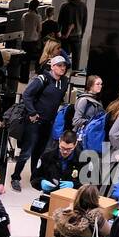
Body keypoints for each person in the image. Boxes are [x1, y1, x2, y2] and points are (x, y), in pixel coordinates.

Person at [11, 55, 70, 190]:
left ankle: (34, 176)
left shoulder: (64, 82)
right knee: (27, 151)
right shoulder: (42, 79)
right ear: (52, 66)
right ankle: (15, 177)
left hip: (49, 121)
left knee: (40, 151)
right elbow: (27, 95)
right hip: (35, 121)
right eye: (60, 65)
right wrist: (32, 112)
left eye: (64, 66)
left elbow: (57, 99)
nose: (62, 68)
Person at [34, 128, 82, 193]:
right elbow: (34, 178)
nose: (65, 152)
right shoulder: (47, 156)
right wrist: (41, 182)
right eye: (62, 148)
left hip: (72, 196)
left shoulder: (83, 159)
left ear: (75, 144)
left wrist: (74, 185)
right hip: (50, 194)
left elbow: (90, 184)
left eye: (69, 149)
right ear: (59, 141)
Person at [59, 0, 88, 68]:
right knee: (76, 57)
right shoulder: (83, 6)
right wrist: (82, 34)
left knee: (64, 56)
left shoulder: (64, 5)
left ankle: (62, 73)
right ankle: (74, 76)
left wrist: (59, 34)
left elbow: (59, 21)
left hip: (66, 35)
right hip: (77, 35)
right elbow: (84, 22)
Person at [19, 0, 42, 77]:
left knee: (24, 60)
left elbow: (22, 27)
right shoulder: (37, 17)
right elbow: (39, 29)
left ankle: (22, 76)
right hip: (33, 41)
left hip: (24, 40)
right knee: (33, 59)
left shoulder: (24, 15)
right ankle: (32, 75)